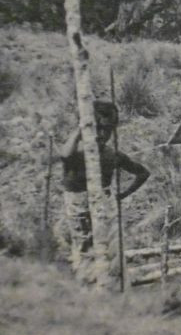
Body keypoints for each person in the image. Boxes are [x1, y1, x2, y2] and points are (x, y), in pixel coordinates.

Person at [57, 100, 150, 265]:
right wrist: (81, 129)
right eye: (97, 129)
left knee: (108, 248)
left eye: (107, 130)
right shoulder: (77, 153)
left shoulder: (113, 155)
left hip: (104, 209)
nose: (101, 135)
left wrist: (122, 195)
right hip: (79, 211)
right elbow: (64, 155)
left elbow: (143, 173)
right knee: (83, 249)